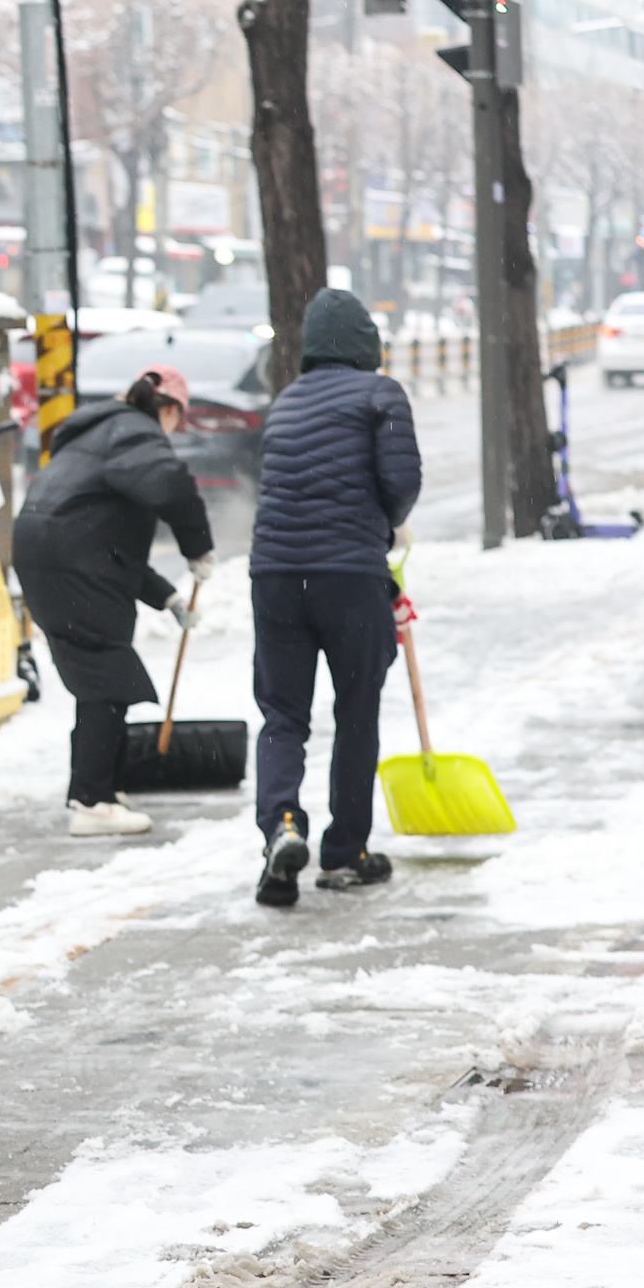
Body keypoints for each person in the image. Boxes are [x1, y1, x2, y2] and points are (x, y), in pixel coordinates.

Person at [247, 288, 421, 907]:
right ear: (366, 345)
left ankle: (282, 826)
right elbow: (400, 486)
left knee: (283, 716)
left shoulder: (286, 402)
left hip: (274, 576)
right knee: (356, 711)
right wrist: (382, 527)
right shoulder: (381, 395)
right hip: (348, 576)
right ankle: (345, 852)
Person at [11, 365, 214, 837]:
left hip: (56, 560)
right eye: (177, 420)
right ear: (167, 408)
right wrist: (197, 546)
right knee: (107, 677)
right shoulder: (135, 433)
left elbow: (106, 544)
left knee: (101, 676)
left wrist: (168, 598)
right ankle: (91, 801)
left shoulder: (99, 432)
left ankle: (100, 789)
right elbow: (174, 486)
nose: (174, 432)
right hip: (71, 565)